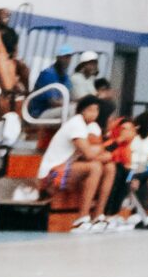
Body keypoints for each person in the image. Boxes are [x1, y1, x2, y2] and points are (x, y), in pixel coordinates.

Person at [38, 97, 116, 232]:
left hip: (67, 170)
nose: (94, 113)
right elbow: (89, 154)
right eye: (90, 110)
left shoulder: (90, 126)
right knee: (95, 167)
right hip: (51, 174)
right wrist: (103, 153)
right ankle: (82, 218)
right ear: (81, 111)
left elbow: (98, 152)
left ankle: (98, 215)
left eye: (96, 110)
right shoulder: (76, 123)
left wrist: (103, 154)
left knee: (110, 167)